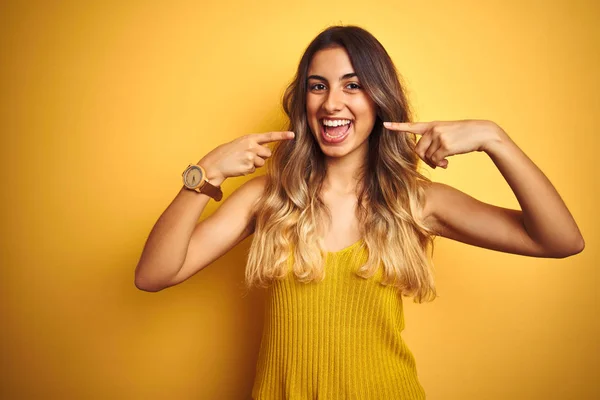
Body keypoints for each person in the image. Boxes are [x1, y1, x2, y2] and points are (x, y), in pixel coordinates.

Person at [134, 25, 585, 399]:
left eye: (353, 85)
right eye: (318, 86)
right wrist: (205, 173)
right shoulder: (266, 199)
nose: (332, 103)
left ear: (379, 99)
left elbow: (560, 240)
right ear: (304, 103)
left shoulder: (416, 202)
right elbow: (153, 274)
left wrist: (494, 139)